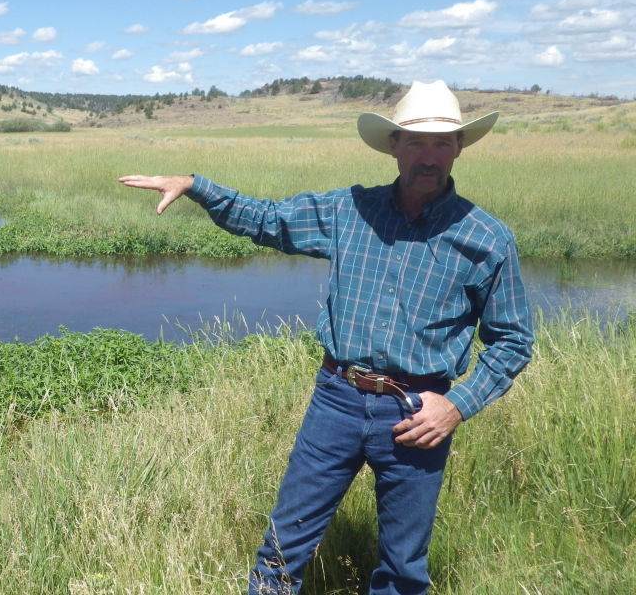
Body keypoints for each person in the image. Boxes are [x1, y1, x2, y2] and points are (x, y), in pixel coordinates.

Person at [118, 80, 533, 595]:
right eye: (416, 142)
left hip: (417, 412)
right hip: (336, 399)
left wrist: (457, 406)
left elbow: (513, 339)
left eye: (442, 143)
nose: (429, 156)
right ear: (393, 146)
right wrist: (197, 185)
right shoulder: (349, 211)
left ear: (460, 148)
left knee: (404, 564)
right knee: (282, 546)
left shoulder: (486, 237)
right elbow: (268, 220)